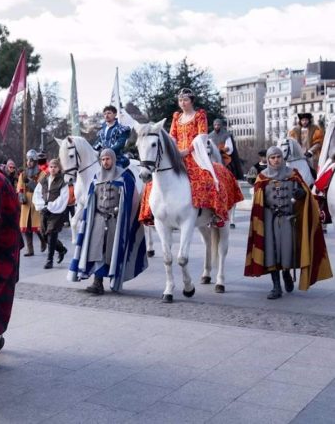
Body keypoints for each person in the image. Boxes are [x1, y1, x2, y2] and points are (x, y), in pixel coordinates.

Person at [139, 88, 243, 226]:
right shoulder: (177, 117)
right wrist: (174, 151)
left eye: (186, 100)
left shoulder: (199, 115)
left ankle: (215, 213)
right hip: (177, 155)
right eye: (180, 100)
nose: (182, 103)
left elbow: (202, 136)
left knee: (207, 179)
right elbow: (172, 137)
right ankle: (153, 213)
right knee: (153, 182)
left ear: (192, 101)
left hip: (195, 155)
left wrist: (187, 151)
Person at [245, 146, 332, 299]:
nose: (276, 159)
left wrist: (302, 193)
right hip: (269, 219)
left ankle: (286, 274)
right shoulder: (262, 177)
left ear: (282, 158)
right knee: (271, 252)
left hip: (288, 219)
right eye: (272, 157)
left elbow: (305, 193)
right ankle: (276, 286)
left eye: (278, 156)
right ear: (268, 159)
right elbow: (258, 202)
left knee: (287, 250)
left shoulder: (293, 174)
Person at [69, 149, 147, 294]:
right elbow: (90, 200)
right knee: (96, 250)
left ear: (113, 159)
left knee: (111, 252)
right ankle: (97, 283)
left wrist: (127, 221)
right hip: (98, 220)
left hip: (115, 221)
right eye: (103, 159)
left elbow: (134, 200)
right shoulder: (96, 177)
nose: (105, 162)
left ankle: (114, 281)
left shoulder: (124, 177)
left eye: (108, 159)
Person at [33, 158, 68, 269]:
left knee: (51, 233)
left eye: (55, 167)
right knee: (44, 234)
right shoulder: (44, 180)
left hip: (56, 212)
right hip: (44, 210)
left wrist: (51, 206)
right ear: (48, 168)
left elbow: (63, 198)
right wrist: (41, 205)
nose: (53, 169)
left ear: (59, 168)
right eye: (51, 167)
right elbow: (37, 193)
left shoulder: (63, 182)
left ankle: (49, 260)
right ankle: (61, 249)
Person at [17, 149, 47, 256]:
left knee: (37, 226)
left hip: (36, 200)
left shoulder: (42, 174)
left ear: (35, 161)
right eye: (27, 160)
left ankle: (43, 241)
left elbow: (40, 188)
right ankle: (30, 250)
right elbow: (20, 188)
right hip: (26, 201)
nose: (28, 162)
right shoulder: (23, 174)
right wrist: (21, 197)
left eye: (31, 160)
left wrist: (29, 182)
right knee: (27, 227)